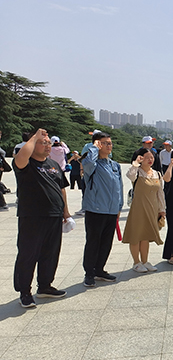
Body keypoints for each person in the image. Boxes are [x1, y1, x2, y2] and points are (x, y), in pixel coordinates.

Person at [12, 128, 70, 308]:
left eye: (48, 143)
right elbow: (20, 157)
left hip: (54, 215)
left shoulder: (53, 164)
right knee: (29, 254)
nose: (47, 145)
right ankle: (25, 292)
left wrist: (66, 211)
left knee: (50, 253)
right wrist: (36, 135)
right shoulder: (26, 164)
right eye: (42, 142)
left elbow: (61, 188)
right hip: (32, 217)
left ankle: (45, 286)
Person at [81, 132, 124, 287]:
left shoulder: (114, 165)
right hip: (96, 209)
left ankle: (99, 269)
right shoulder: (92, 164)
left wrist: (119, 206)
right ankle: (89, 273)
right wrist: (93, 148)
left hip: (111, 210)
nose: (108, 146)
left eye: (110, 143)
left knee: (106, 242)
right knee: (93, 242)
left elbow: (119, 186)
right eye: (104, 143)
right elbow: (87, 164)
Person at [123, 148, 165, 273]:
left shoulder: (157, 173)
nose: (150, 160)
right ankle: (136, 262)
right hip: (138, 208)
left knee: (146, 235)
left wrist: (162, 209)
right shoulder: (137, 172)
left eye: (151, 157)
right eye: (146, 157)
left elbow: (160, 193)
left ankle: (145, 261)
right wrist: (135, 163)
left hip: (152, 208)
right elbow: (130, 175)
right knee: (136, 235)